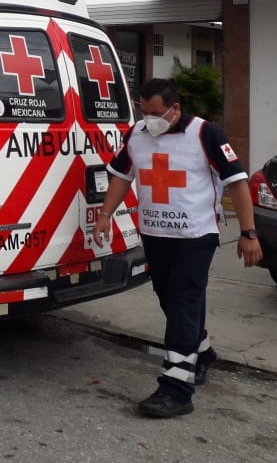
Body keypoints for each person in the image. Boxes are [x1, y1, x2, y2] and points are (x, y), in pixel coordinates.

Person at [92, 78, 263, 419]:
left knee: (184, 300)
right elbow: (122, 176)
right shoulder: (137, 134)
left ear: (175, 109)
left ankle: (176, 387)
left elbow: (237, 183)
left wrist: (249, 232)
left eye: (156, 112)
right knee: (170, 299)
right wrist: (105, 215)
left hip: (196, 238)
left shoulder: (205, 134)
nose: (149, 118)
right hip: (155, 236)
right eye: (144, 110)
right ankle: (200, 352)